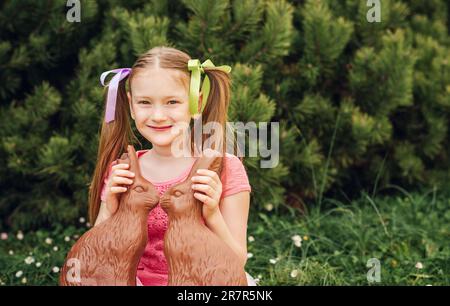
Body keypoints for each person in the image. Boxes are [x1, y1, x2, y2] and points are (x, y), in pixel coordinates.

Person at [88, 46, 256, 286]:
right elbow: (96, 255)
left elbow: (236, 262)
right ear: (131, 105)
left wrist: (212, 214)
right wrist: (108, 210)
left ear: (195, 103)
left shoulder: (224, 169)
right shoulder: (123, 171)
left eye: (172, 102)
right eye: (145, 102)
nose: (158, 115)